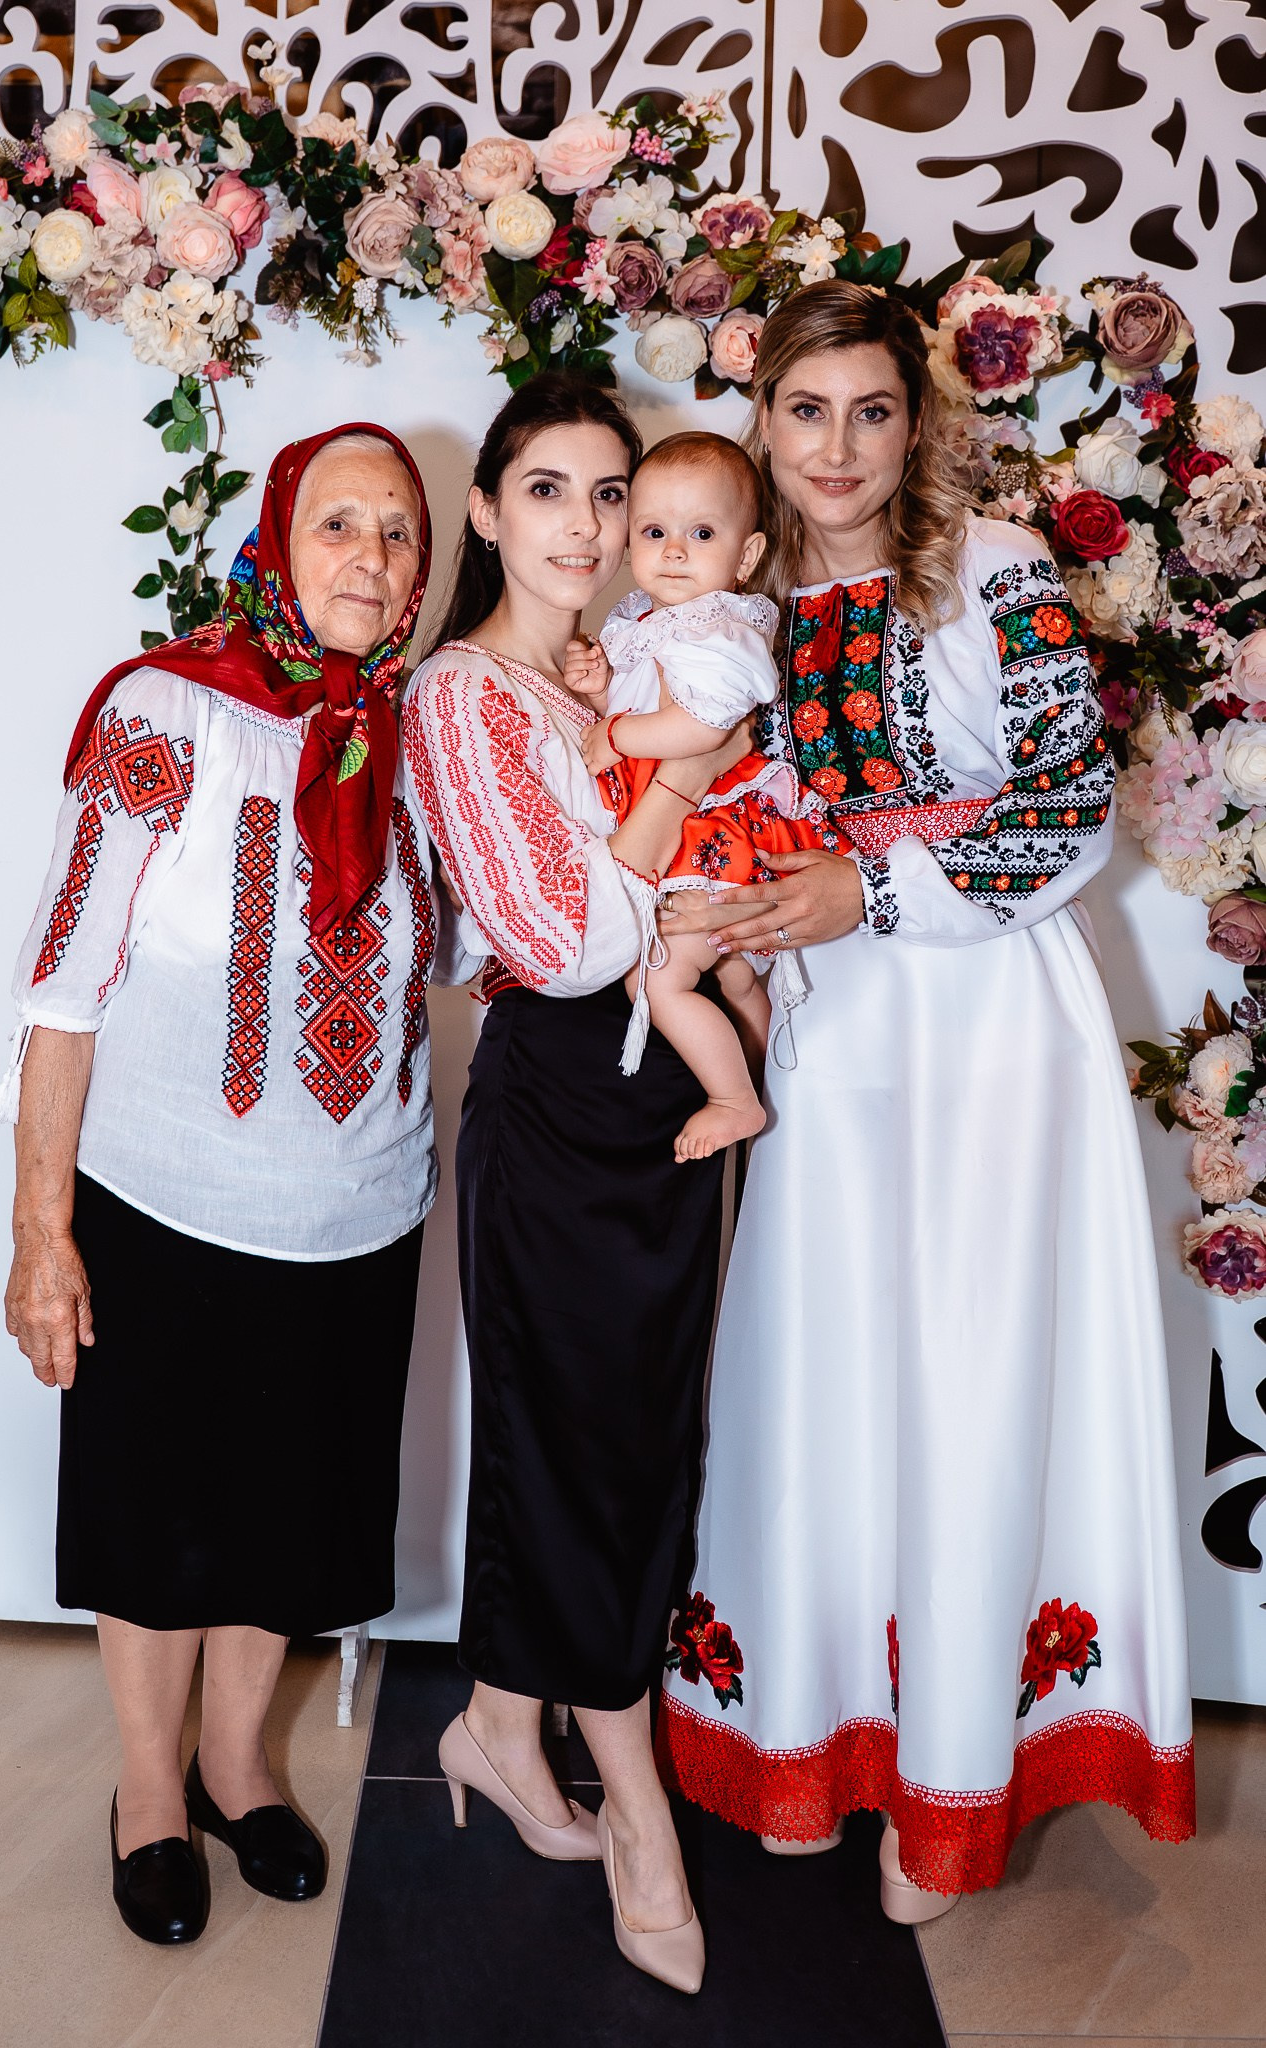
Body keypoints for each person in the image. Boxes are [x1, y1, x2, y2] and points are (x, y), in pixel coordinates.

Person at [653, 282, 1196, 1920]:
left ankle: (950, 1778)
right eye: (806, 411)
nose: (837, 447)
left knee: (971, 1363)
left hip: (991, 1019)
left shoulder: (997, 569)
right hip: (829, 1027)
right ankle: (813, 1733)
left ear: (919, 421)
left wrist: (873, 891)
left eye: (872, 411)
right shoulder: (735, 601)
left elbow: (1072, 802)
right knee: (823, 1362)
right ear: (763, 423)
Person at [0, 424, 443, 1945]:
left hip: (357, 1209)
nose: (370, 555)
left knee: (287, 1513)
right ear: (276, 542)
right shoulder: (166, 707)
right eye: (339, 522)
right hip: (165, 1198)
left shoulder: (420, 733)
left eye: (398, 529)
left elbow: (466, 948)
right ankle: (148, 1791)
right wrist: (40, 1231)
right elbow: (62, 982)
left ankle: (241, 1766)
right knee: (157, 1513)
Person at [402, 374, 749, 1995]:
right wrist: (679, 787)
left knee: (635, 1440)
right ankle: (640, 1820)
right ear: (486, 509)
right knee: (585, 1452)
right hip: (558, 1110)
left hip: (665, 1105)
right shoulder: (465, 696)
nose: (589, 526)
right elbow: (565, 942)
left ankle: (495, 1722)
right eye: (549, 488)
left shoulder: (629, 673)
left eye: (613, 493)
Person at [573, 430, 849, 1160]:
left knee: (657, 979)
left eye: (700, 534)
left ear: (746, 556)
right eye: (654, 532)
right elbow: (654, 700)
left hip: (717, 833)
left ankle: (733, 1100)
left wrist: (616, 732)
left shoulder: (717, 629)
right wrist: (603, 689)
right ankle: (764, 1078)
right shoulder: (653, 621)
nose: (673, 552)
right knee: (732, 973)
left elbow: (701, 726)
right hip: (705, 829)